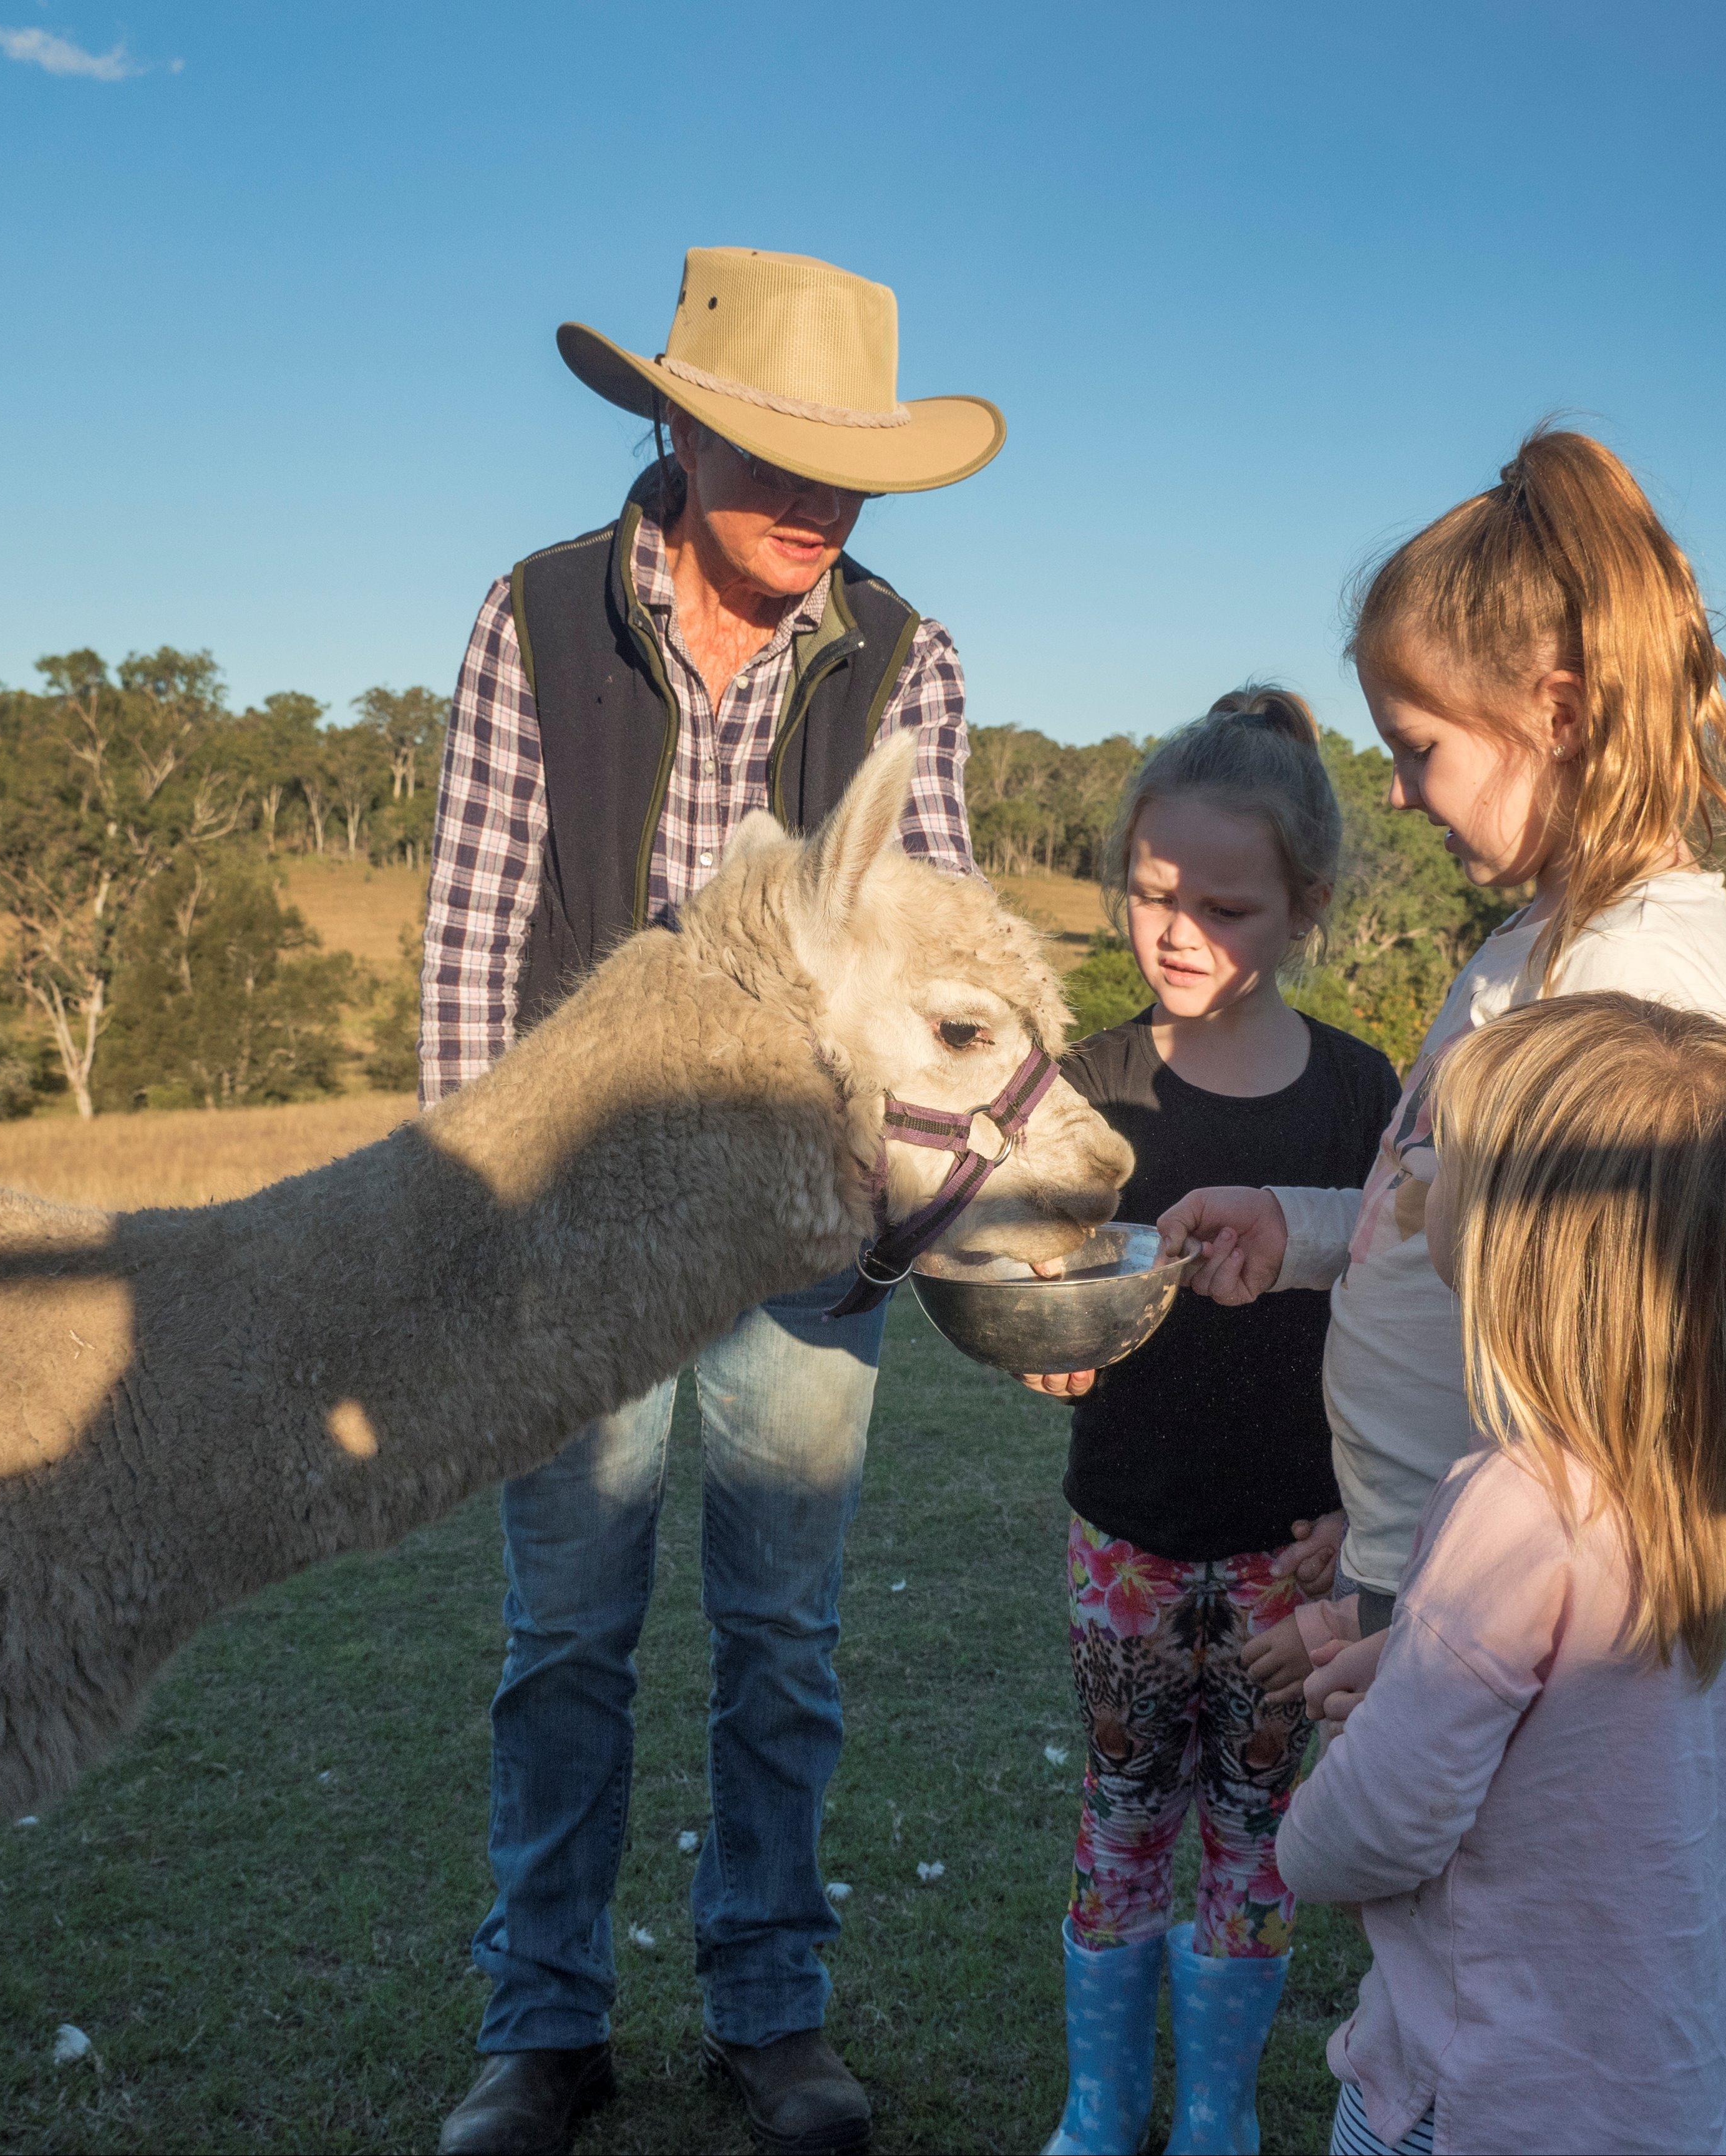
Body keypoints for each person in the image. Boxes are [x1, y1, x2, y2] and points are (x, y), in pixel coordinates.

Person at [424, 248, 1004, 2156]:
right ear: (674, 425)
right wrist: (468, 1210)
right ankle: (545, 2026)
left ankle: (771, 2014)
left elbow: (920, 945)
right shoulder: (529, 618)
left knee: (786, 1638)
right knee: (564, 1639)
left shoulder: (911, 657)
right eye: (771, 450)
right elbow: (470, 936)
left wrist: (915, 1217)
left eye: (850, 469)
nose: (814, 501)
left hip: (806, 1229)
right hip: (581, 1224)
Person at [1156, 426, 1726, 1724]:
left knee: (1469, 1932)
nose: (1391, 792)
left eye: (1419, 746)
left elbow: (1622, 1412)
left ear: (1555, 712)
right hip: (1435, 1581)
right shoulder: (1527, 949)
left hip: (1517, 1628)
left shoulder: (1638, 996)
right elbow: (1438, 1208)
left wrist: (1456, 1635)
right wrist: (1299, 1225)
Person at [1278, 992, 1726, 2154]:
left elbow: (1381, 1823)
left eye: (1454, 1160)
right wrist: (1409, 1656)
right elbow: (1582, 1725)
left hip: (1470, 2099)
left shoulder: (1517, 1501)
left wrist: (1310, 1806)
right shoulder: (1714, 1492)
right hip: (1656, 2102)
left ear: (1525, 1237)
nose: (1426, 1169)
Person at [1025, 690, 1400, 2156]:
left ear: (1305, 909)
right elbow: (1036, 1267)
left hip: (1290, 1559)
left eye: (1225, 905)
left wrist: (1358, 1523)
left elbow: (1396, 1320)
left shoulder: (1363, 1093)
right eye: (1149, 891)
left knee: (1257, 1832)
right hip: (1122, 1529)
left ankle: (1219, 2114)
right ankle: (1102, 2109)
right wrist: (1043, 1345)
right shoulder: (1090, 1086)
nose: (1175, 930)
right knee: (1122, 1807)